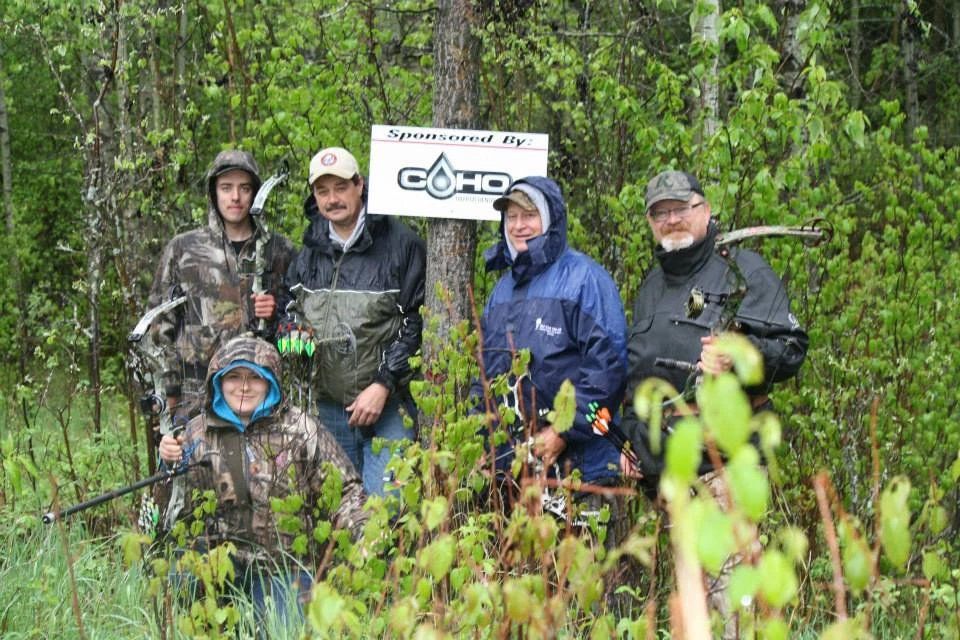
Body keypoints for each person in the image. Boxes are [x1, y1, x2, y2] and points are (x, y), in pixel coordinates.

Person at [620, 169, 809, 638]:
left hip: (727, 471)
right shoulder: (650, 288)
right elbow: (637, 376)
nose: (671, 220)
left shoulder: (743, 270)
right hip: (669, 478)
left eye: (681, 209)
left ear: (705, 211)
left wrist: (740, 357)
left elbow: (791, 351)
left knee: (732, 608)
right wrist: (632, 442)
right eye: (659, 213)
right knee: (691, 611)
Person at [158, 335, 367, 619]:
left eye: (255, 378)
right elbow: (170, 510)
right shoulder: (196, 432)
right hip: (218, 561)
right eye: (233, 377)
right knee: (175, 589)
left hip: (284, 566)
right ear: (217, 380)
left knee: (286, 629)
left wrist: (365, 536)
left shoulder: (301, 428)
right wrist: (167, 463)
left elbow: (346, 490)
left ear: (271, 381)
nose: (244, 387)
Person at [473, 176, 628, 521]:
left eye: (529, 215)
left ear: (551, 218)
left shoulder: (585, 279)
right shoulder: (500, 292)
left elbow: (610, 369)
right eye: (511, 217)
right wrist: (485, 443)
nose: (518, 225)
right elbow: (483, 373)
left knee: (584, 574)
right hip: (514, 475)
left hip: (582, 471)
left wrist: (561, 431)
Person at [282, 146, 426, 497]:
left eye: (341, 187)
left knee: (387, 506)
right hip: (330, 407)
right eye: (322, 191)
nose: (332, 199)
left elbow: (418, 322)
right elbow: (289, 311)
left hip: (389, 406)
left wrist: (383, 383)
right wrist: (289, 333)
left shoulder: (401, 245)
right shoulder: (308, 253)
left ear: (360, 185)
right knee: (339, 510)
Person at [149, 149, 295, 424]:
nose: (235, 197)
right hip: (195, 397)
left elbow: (298, 326)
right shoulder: (184, 249)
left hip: (262, 396)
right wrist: (168, 391)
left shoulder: (280, 250)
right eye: (226, 188)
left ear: (256, 193)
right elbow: (159, 327)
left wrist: (275, 314)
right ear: (214, 192)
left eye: (244, 188)